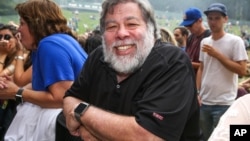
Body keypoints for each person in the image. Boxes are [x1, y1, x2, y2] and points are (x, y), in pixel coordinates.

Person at [63, 0, 200, 140]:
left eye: (132, 24)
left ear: (150, 28)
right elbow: (71, 97)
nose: (121, 33)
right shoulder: (99, 56)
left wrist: (83, 113)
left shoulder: (172, 62)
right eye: (111, 26)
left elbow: (148, 137)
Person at [0, 0, 88, 140]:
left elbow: (61, 98)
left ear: (36, 24)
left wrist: (16, 93)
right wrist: (11, 86)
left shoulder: (49, 45)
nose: (19, 29)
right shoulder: (57, 41)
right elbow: (38, 84)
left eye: (22, 23)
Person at [196, 3, 248, 140]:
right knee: (206, 138)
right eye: (210, 18)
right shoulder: (205, 42)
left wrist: (217, 55)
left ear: (225, 19)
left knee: (227, 137)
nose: (213, 22)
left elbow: (242, 70)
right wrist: (197, 92)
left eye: (217, 18)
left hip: (225, 103)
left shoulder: (235, 41)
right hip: (205, 102)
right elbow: (202, 68)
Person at [0, 24, 19, 139]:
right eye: (0, 37)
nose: (2, 41)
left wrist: (3, 54)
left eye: (7, 37)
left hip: (10, 109)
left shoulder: (20, 58)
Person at [180, 7, 211, 75]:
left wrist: (188, 63)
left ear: (200, 21)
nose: (187, 27)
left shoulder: (209, 37)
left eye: (190, 25)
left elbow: (210, 66)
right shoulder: (190, 38)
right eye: (186, 25)